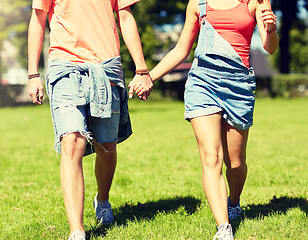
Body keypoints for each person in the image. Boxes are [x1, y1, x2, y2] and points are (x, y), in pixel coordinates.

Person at [140, 0, 279, 239]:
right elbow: (181, 49)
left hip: (239, 86)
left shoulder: (256, 2)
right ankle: (224, 227)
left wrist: (270, 29)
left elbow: (270, 48)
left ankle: (233, 202)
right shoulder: (198, 3)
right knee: (211, 156)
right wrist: (148, 77)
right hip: (202, 83)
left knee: (235, 164)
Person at [27, 0, 153, 239]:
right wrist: (33, 73)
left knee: (107, 146)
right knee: (72, 141)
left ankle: (102, 200)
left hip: (106, 67)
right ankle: (77, 230)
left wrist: (142, 69)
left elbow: (125, 17)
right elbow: (38, 19)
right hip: (65, 67)